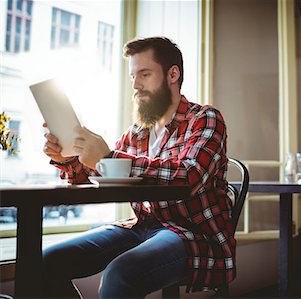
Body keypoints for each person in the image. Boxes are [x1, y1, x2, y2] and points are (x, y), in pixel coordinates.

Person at [42, 36, 235, 298]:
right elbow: (98, 173)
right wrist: (70, 160)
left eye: (144, 74)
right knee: (45, 261)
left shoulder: (206, 118)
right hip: (140, 225)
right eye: (133, 76)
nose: (135, 84)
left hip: (193, 233)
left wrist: (109, 157)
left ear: (172, 74)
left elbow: (189, 177)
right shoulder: (137, 133)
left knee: (120, 274)